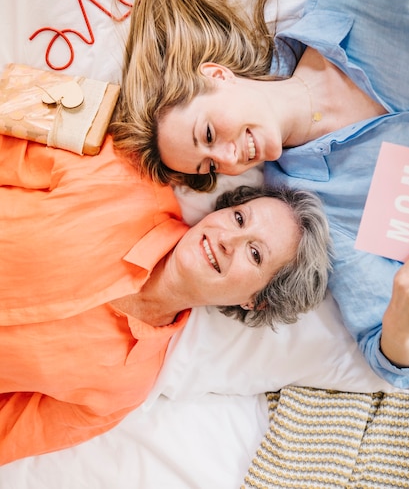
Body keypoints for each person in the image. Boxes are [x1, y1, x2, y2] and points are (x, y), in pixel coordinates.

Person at [110, 0, 409, 388]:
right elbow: (390, 356)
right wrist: (401, 324)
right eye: (211, 166)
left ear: (216, 75)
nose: (233, 160)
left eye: (209, 133)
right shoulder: (319, 213)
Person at [0, 132, 329, 464]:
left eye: (255, 254)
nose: (228, 239)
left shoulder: (123, 388)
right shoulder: (124, 178)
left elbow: (8, 433)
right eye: (240, 218)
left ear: (256, 300)